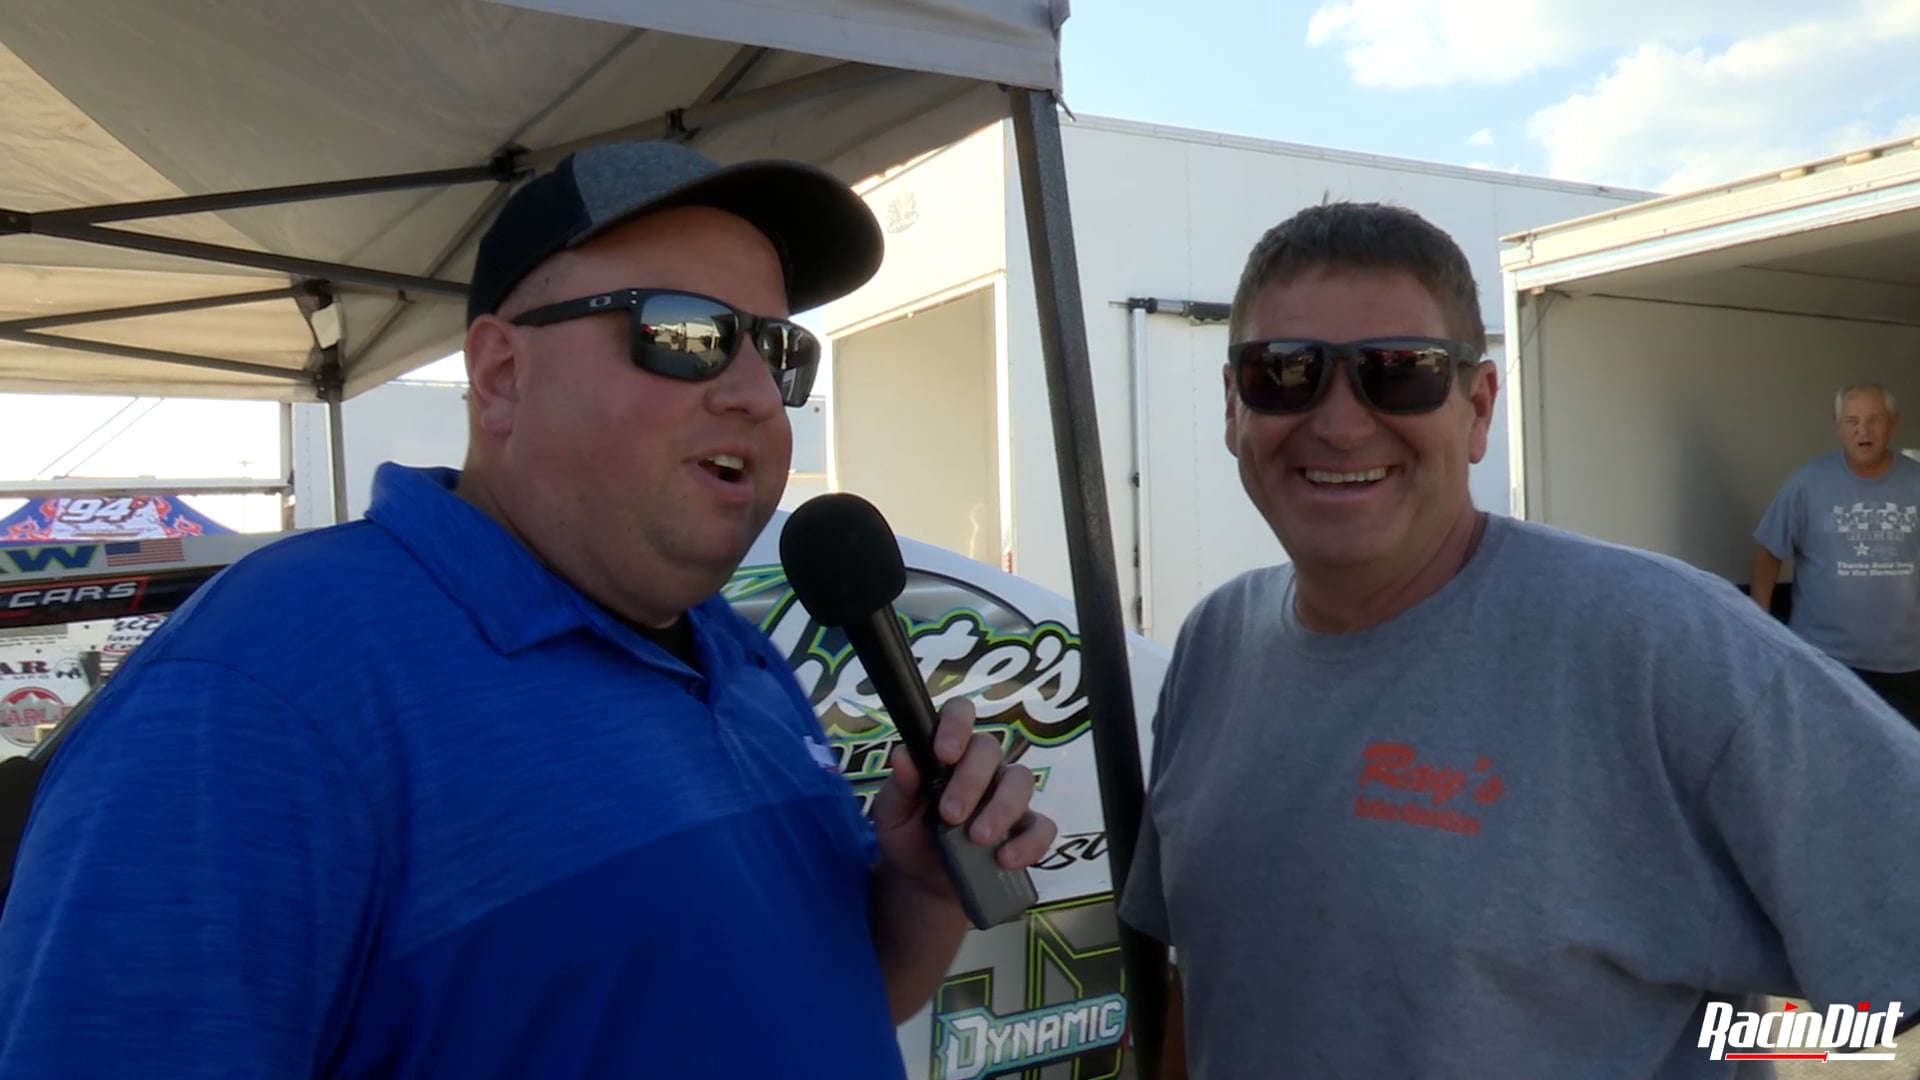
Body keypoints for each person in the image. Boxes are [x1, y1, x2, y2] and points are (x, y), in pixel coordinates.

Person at [0, 140, 1056, 1078]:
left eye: (777, 351)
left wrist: (916, 896)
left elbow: (818, 1008)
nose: (749, 391)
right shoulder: (258, 700)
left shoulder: (734, 657)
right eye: (684, 335)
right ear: (501, 375)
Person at [1118, 200, 1920, 1078]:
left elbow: (1878, 1003)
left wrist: (1731, 1039)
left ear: (1478, 406)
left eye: (1400, 372)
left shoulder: (1667, 647)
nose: (1340, 423)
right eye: (1285, 372)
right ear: (1235, 407)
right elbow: (1203, 978)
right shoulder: (1214, 648)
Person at [1751, 383, 1920, 723]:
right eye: (1852, 420)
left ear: (1893, 423)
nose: (1863, 430)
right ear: (1837, 425)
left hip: (1908, 666)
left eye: (1874, 420)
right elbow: (1769, 551)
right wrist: (1760, 625)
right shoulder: (1807, 483)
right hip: (1826, 662)